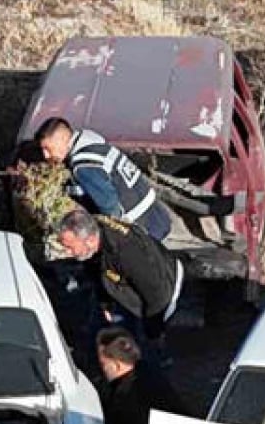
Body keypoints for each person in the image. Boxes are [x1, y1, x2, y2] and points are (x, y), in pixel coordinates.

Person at [57, 209, 183, 349]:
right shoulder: (94, 234)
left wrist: (152, 334)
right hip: (127, 279)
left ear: (91, 240)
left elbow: (158, 297)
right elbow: (95, 268)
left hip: (165, 285)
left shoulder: (126, 253)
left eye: (70, 247)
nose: (66, 252)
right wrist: (106, 305)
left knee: (143, 344)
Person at [35, 117, 170, 241]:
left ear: (62, 139)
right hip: (157, 213)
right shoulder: (94, 143)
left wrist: (116, 239)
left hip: (142, 228)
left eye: (47, 148)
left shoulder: (83, 164)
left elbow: (110, 208)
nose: (45, 155)